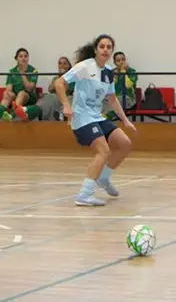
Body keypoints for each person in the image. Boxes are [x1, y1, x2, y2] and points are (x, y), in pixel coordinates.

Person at [53, 34, 136, 207]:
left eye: (109, 47)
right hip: (81, 117)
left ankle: (104, 178)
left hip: (96, 116)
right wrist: (66, 105)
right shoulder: (84, 66)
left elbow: (112, 99)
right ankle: (84, 194)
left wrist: (125, 120)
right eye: (102, 46)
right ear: (96, 49)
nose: (105, 50)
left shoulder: (107, 72)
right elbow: (59, 83)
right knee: (103, 151)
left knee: (125, 143)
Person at [34, 56, 73, 121]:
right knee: (49, 97)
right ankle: (43, 116)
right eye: (60, 63)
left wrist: (63, 77)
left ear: (68, 66)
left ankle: (62, 115)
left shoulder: (72, 77)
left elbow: (66, 90)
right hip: (55, 96)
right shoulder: (55, 78)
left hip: (67, 97)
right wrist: (58, 77)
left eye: (64, 63)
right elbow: (50, 89)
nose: (62, 65)